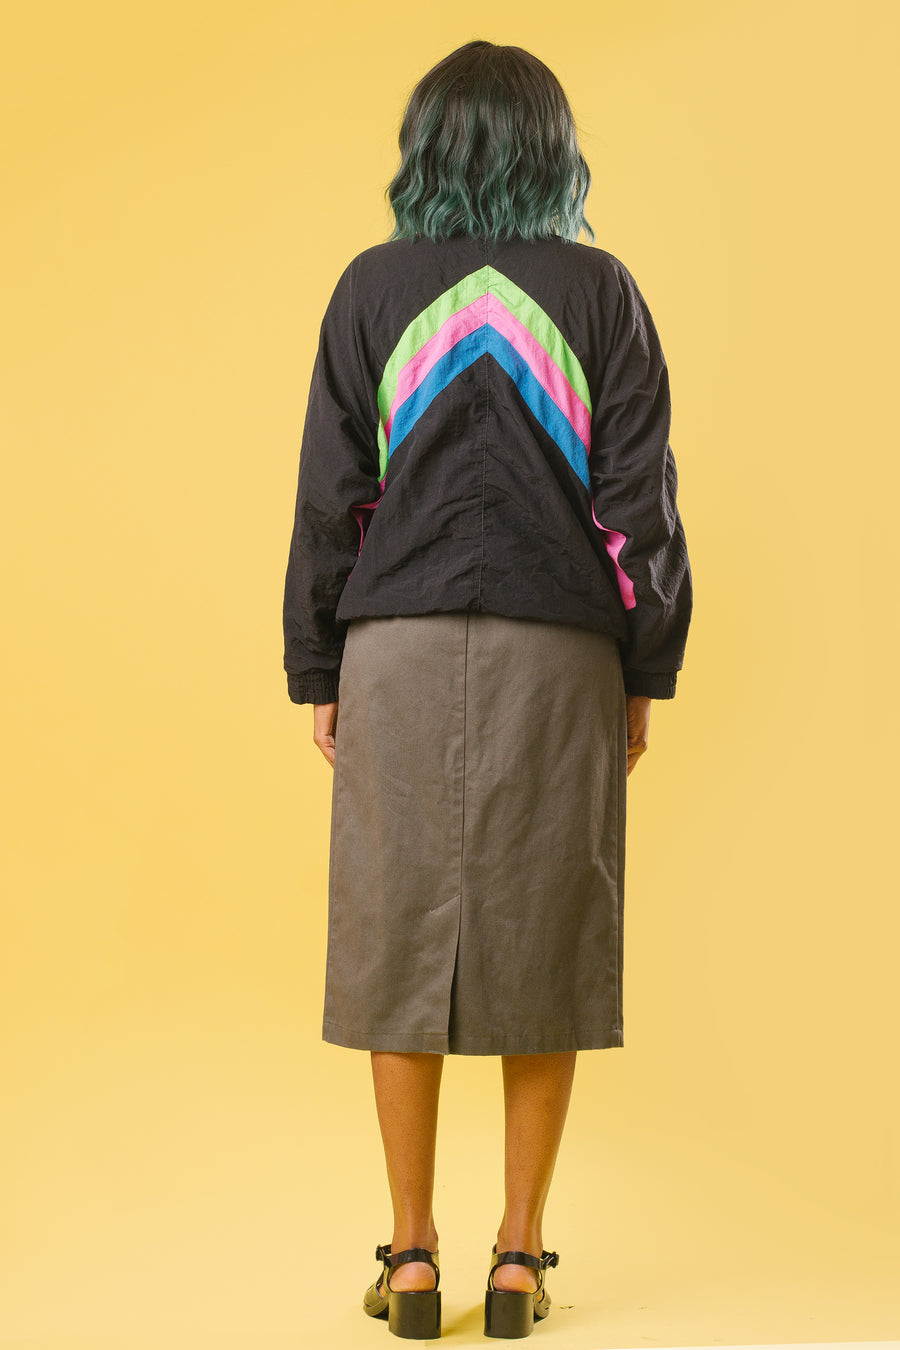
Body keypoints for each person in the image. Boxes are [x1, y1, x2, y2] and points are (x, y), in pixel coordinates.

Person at [282, 40, 693, 1341]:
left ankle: (411, 1258)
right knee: (544, 936)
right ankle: (518, 1259)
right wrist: (645, 662)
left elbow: (334, 493)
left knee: (398, 933)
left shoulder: (370, 286)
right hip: (559, 646)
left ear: (427, 149)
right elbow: (637, 504)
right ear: (552, 150)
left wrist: (317, 662)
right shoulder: (601, 291)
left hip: (394, 646)